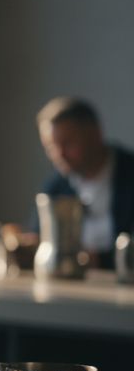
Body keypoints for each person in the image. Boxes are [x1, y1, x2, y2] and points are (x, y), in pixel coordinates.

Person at [29, 97, 134, 269]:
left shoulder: (129, 173)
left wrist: (98, 260)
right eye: (51, 147)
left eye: (68, 143)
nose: (59, 154)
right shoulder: (57, 186)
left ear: (95, 135)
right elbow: (37, 237)